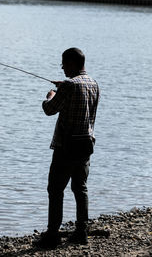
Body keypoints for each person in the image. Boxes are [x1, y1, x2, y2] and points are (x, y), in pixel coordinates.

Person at [33, 48, 100, 248]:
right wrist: (64, 88)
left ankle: (52, 235)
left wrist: (51, 94)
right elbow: (79, 96)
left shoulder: (69, 85)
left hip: (66, 145)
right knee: (80, 188)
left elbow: (49, 110)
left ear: (72, 63)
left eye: (64, 63)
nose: (62, 67)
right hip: (86, 144)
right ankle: (81, 233)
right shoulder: (93, 83)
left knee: (55, 189)